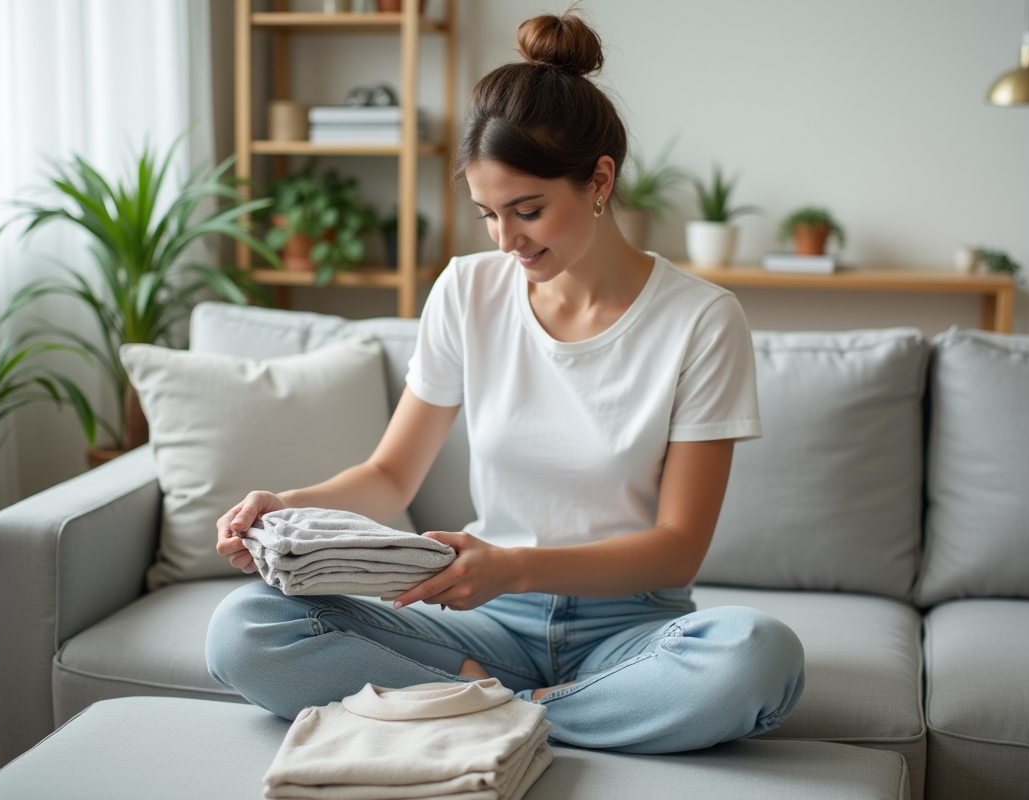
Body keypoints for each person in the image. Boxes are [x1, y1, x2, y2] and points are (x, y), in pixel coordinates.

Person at [206, 9, 804, 755]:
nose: (506, 239)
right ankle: (529, 708)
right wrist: (286, 507)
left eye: (528, 211)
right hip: (484, 626)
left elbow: (677, 548)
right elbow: (390, 476)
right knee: (244, 627)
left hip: (630, 628)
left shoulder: (702, 319)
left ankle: (483, 708)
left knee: (758, 655)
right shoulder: (468, 290)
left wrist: (513, 567)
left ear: (599, 180)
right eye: (488, 214)